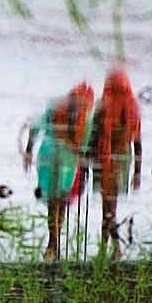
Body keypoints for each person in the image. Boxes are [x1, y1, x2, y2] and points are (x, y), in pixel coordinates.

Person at [24, 82, 95, 261]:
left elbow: (35, 127)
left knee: (51, 201)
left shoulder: (54, 107)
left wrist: (28, 150)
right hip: (68, 161)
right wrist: (85, 168)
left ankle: (52, 243)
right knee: (61, 200)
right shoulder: (85, 117)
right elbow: (84, 146)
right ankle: (54, 243)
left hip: (47, 155)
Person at [87, 69, 142, 259]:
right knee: (111, 205)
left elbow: (92, 136)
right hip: (123, 158)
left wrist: (86, 161)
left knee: (108, 206)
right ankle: (110, 248)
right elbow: (137, 142)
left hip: (106, 158)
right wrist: (137, 172)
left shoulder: (103, 106)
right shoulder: (133, 108)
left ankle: (113, 248)